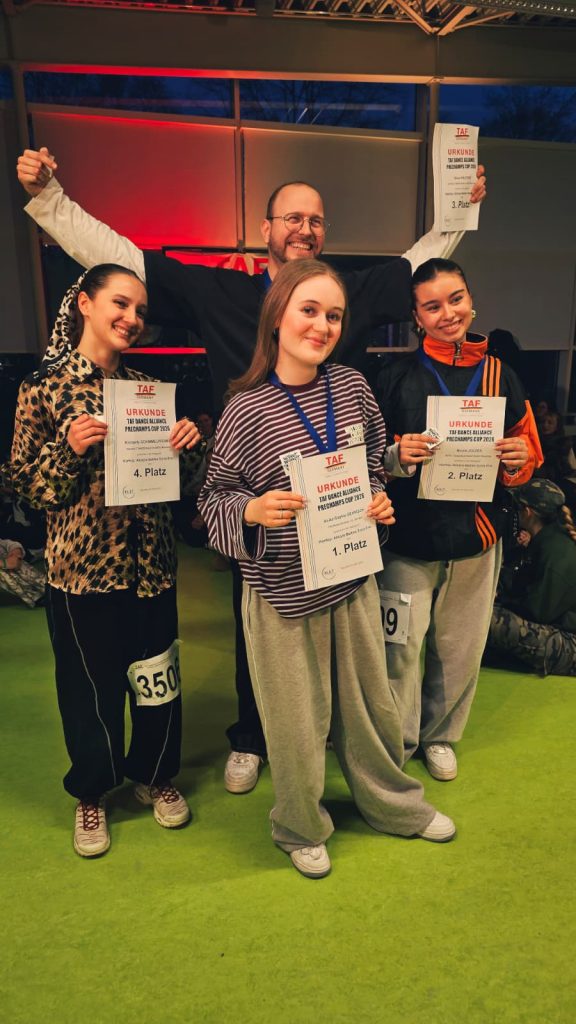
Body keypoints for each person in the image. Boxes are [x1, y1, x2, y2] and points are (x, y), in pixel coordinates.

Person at [16, 147, 486, 796]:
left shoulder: (341, 292)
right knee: (256, 621)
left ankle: (335, 733)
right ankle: (253, 737)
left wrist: (459, 207)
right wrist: (51, 200)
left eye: (315, 220)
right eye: (291, 217)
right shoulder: (224, 291)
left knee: (344, 620)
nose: (304, 229)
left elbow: (416, 265)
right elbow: (125, 258)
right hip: (256, 494)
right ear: (265, 230)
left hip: (337, 496)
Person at [198, 258, 456, 878]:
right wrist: (252, 509)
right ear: (277, 316)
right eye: (309, 310)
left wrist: (379, 498)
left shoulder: (352, 387)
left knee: (371, 708)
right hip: (283, 596)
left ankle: (392, 803)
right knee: (296, 722)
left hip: (352, 579)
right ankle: (299, 824)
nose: (321, 326)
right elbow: (212, 500)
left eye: (333, 315)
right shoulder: (244, 408)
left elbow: (370, 467)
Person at [10, 264, 202, 857]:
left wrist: (188, 449)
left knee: (157, 679)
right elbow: (26, 486)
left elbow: (180, 488)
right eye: (121, 303)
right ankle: (92, 791)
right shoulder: (43, 387)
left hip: (153, 565)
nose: (132, 318)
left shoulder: (148, 389)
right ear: (86, 304)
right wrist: (67, 450)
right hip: (81, 572)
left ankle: (155, 773)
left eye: (141, 310)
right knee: (88, 690)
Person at [377, 257, 543, 781]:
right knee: (400, 649)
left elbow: (528, 454)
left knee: (460, 649)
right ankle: (399, 739)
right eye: (432, 306)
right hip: (407, 541)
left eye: (455, 299)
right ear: (416, 317)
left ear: (472, 302)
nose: (447, 313)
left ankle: (440, 736)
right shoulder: (394, 377)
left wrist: (519, 461)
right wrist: (396, 456)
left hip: (477, 539)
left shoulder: (501, 375)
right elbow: (368, 457)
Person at [486, 479, 576, 676]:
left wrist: (501, 603)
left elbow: (537, 612)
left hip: (570, 643)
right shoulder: (550, 540)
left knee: (488, 619)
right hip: (560, 631)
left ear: (528, 512)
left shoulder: (556, 551)